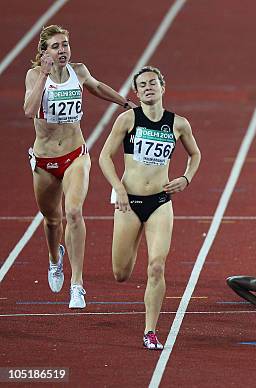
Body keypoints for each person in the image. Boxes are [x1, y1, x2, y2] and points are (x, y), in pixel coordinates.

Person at [23, 25, 136, 308]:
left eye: (65, 45)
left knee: (73, 212)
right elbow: (28, 110)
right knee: (52, 221)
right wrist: (44, 75)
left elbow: (97, 87)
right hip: (45, 161)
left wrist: (124, 103)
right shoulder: (35, 75)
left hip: (76, 154)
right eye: (56, 46)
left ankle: (77, 285)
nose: (62, 50)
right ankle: (54, 259)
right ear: (44, 52)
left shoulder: (79, 71)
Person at [98, 66, 201, 350]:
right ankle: (127, 265)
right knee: (121, 273)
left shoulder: (178, 124)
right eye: (141, 85)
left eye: (152, 83)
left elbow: (195, 154)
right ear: (136, 91)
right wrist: (118, 188)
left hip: (159, 203)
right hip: (128, 203)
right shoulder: (127, 119)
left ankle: (150, 331)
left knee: (156, 267)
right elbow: (105, 156)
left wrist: (185, 178)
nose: (147, 87)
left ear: (162, 87)